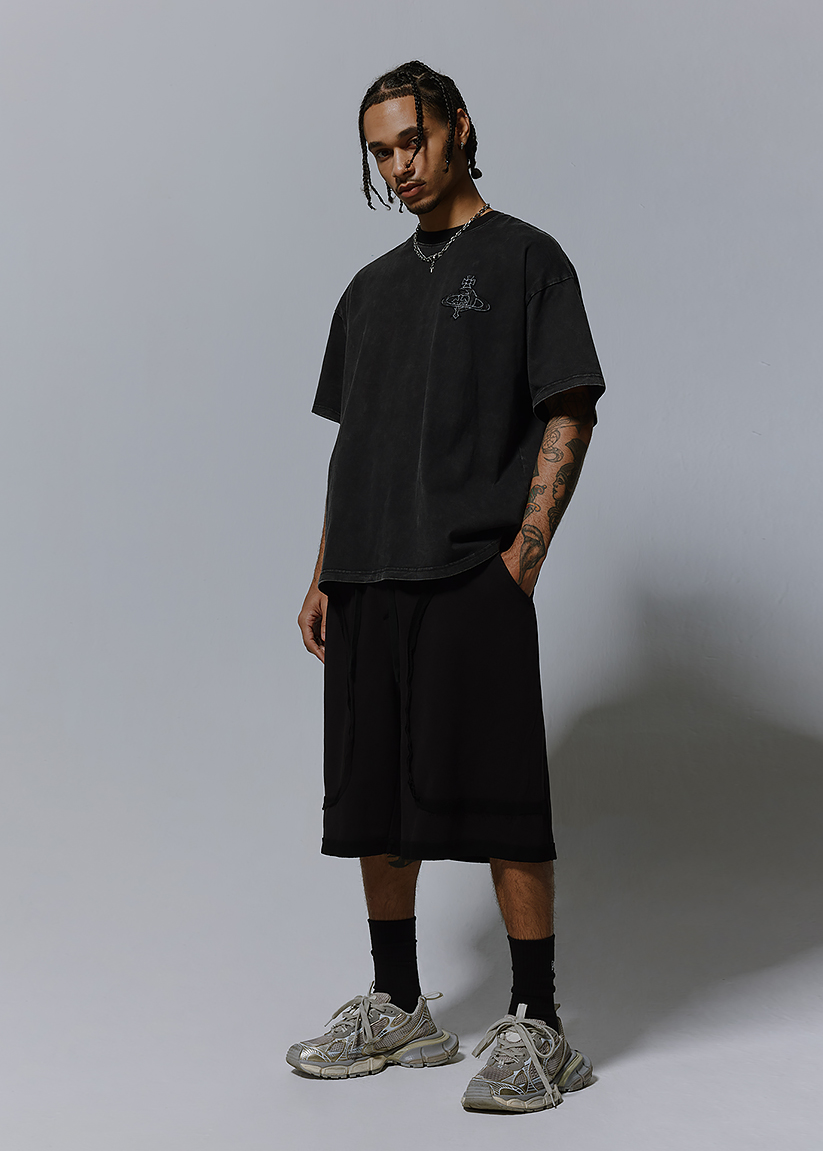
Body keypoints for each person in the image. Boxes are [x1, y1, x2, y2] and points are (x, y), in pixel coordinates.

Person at [288, 60, 605, 1113]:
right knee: (373, 800)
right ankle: (400, 1006)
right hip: (366, 574)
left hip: (473, 570)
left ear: (459, 126)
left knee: (507, 803)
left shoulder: (527, 259)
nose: (399, 166)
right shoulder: (368, 290)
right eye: (380, 152)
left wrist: (524, 556)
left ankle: (539, 1022)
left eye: (412, 140)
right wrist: (323, 572)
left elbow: (569, 406)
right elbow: (357, 445)